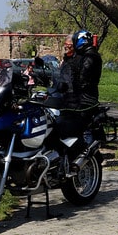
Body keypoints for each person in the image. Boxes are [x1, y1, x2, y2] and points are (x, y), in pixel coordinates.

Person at [44, 31, 101, 160]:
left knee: (75, 129)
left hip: (82, 101)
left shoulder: (88, 57)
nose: (68, 46)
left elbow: (82, 79)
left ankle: (84, 157)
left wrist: (68, 86)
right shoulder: (82, 57)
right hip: (72, 99)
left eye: (70, 44)